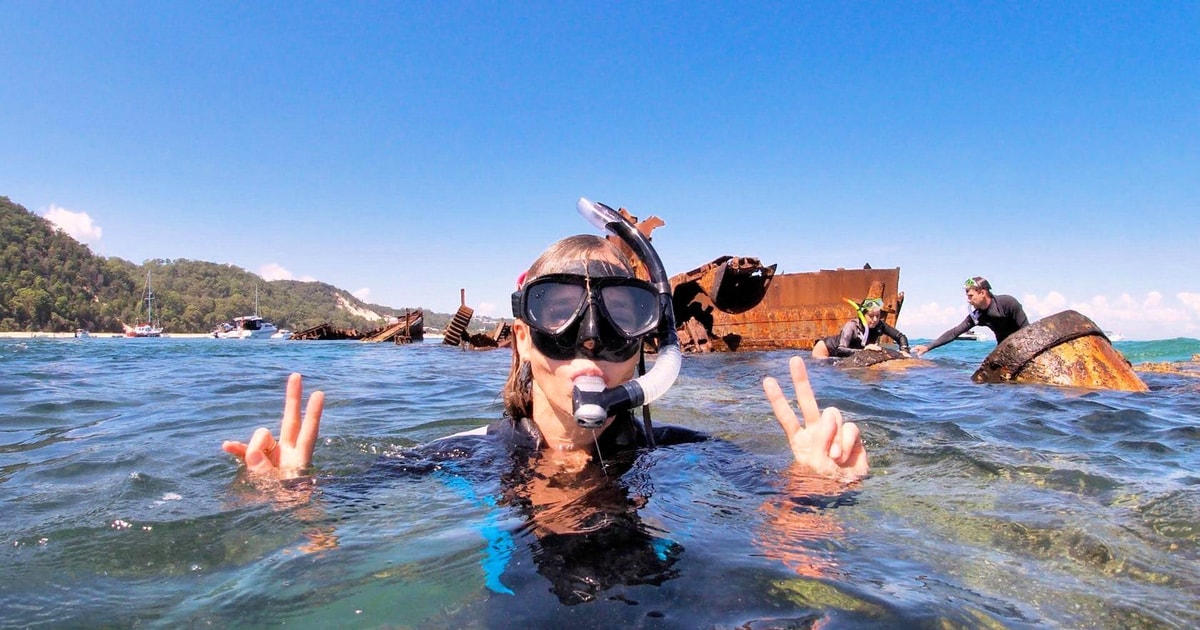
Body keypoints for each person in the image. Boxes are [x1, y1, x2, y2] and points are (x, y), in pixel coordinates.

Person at [221, 199, 869, 602]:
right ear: (523, 340)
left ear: (645, 347)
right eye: (558, 311)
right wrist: (288, 497)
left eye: (621, 315)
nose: (589, 338)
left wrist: (815, 493)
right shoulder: (461, 456)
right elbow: (324, 548)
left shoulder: (685, 453)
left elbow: (798, 544)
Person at [913, 276, 1029, 357]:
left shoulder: (1008, 303)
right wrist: (928, 347)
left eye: (970, 296)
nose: (968, 300)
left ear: (982, 293)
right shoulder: (978, 315)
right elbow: (954, 333)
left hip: (1025, 345)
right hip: (1004, 350)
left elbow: (1027, 329)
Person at [811, 297, 910, 359]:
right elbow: (841, 349)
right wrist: (865, 350)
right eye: (871, 316)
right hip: (826, 349)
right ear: (862, 315)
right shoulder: (851, 326)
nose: (875, 319)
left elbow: (900, 337)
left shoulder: (880, 325)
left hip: (849, 351)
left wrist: (904, 351)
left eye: (878, 316)